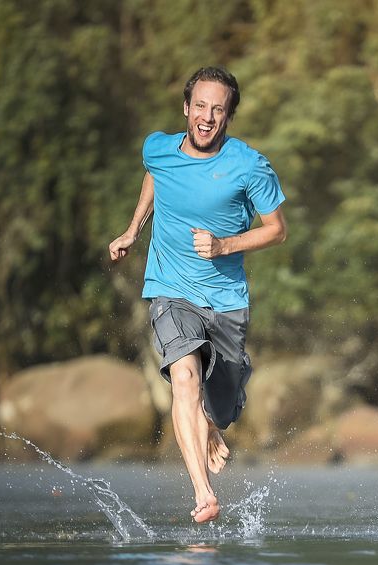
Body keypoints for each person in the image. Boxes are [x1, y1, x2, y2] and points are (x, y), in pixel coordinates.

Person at [108, 66, 287, 523]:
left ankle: (214, 416)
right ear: (186, 109)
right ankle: (203, 494)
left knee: (221, 409)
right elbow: (155, 176)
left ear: (228, 117)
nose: (207, 117)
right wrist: (132, 231)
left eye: (218, 110)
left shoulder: (248, 164)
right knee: (184, 378)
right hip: (170, 290)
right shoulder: (158, 147)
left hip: (226, 300)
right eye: (200, 106)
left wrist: (226, 245)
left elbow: (277, 231)